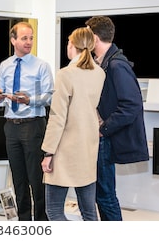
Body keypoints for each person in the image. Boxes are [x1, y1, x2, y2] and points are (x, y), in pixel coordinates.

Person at [85, 16, 150, 221]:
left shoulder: (116, 65)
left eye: (87, 34)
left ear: (94, 38)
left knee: (105, 197)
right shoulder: (103, 63)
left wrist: (103, 129)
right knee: (102, 196)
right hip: (105, 139)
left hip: (107, 138)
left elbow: (131, 105)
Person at [41, 27, 105, 221]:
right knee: (89, 213)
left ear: (72, 46)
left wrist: (48, 152)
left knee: (53, 211)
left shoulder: (65, 74)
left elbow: (58, 117)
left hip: (65, 150)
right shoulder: (99, 73)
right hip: (87, 149)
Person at [0, 21, 54, 221]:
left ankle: (41, 223)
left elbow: (49, 96)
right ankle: (24, 222)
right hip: (11, 127)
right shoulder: (5, 65)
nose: (29, 42)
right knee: (18, 179)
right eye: (24, 38)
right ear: (13, 40)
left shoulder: (41, 66)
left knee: (36, 179)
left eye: (31, 38)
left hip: (33, 125)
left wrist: (29, 100)